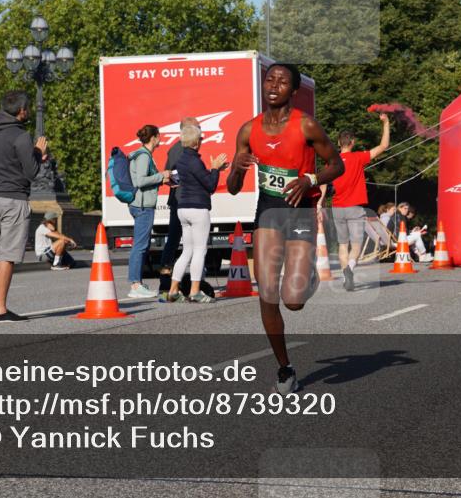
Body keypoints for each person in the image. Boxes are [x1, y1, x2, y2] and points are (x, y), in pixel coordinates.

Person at [227, 63, 343, 395]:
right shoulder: (248, 130)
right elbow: (233, 188)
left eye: (282, 81)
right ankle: (284, 368)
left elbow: (337, 164)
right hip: (268, 212)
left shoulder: (306, 125)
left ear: (293, 90)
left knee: (292, 301)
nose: (274, 85)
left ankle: (308, 275)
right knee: (266, 292)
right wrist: (237, 168)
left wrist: (311, 179)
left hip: (300, 212)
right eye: (270, 80)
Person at [0, 90, 47, 323]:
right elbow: (32, 172)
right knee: (7, 257)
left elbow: (6, 161)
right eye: (27, 108)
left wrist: (31, 155)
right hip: (14, 199)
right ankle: (0, 310)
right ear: (21, 111)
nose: (28, 111)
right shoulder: (21, 136)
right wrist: (38, 152)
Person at [164, 120, 228, 303]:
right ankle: (194, 291)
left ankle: (173, 290)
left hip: (183, 208)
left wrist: (214, 169)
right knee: (200, 251)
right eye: (200, 139)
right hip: (198, 208)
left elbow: (195, 178)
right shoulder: (194, 161)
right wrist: (215, 169)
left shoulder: (182, 160)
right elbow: (210, 185)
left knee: (187, 251)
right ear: (196, 142)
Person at [330, 114, 390, 291]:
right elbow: (383, 146)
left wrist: (318, 204)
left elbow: (324, 184)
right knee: (356, 245)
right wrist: (386, 123)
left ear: (339, 143)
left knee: (343, 244)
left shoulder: (332, 162)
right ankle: (349, 268)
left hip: (337, 208)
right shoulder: (358, 157)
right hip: (355, 208)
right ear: (353, 142)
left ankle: (345, 276)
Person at [127, 124, 171, 298]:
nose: (160, 139)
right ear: (153, 138)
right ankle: (135, 285)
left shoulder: (141, 154)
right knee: (140, 246)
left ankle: (137, 283)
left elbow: (144, 180)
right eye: (159, 136)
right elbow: (140, 181)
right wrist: (162, 175)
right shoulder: (144, 155)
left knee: (141, 245)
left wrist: (161, 180)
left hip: (140, 204)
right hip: (143, 206)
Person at [158, 117, 200, 285]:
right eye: (198, 127)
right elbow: (171, 174)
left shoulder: (176, 148)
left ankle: (168, 279)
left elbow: (169, 173)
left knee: (176, 240)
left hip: (178, 200)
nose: (200, 131)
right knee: (183, 241)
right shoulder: (181, 149)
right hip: (184, 200)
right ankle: (169, 279)